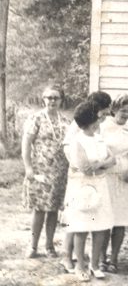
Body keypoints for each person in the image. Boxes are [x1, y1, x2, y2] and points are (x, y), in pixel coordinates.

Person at [64, 101, 115, 281]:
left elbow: (112, 160)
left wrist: (99, 165)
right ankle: (80, 266)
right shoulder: (77, 140)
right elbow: (84, 167)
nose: (99, 120)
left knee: (100, 226)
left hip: (100, 185)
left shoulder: (100, 137)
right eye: (96, 117)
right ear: (88, 120)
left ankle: (94, 265)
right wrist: (101, 165)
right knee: (82, 227)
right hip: (83, 187)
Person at [21, 84, 69, 259]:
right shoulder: (36, 118)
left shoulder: (65, 121)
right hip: (41, 171)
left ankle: (49, 245)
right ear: (43, 99)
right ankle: (33, 246)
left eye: (56, 98)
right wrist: (28, 168)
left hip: (60, 171)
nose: (52, 101)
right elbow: (26, 145)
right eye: (49, 97)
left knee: (54, 209)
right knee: (39, 209)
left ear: (61, 100)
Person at [100, 94, 128, 272]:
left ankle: (114, 259)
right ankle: (101, 258)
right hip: (107, 176)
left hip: (126, 179)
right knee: (105, 219)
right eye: (122, 110)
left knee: (120, 220)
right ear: (114, 110)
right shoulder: (103, 127)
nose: (125, 114)